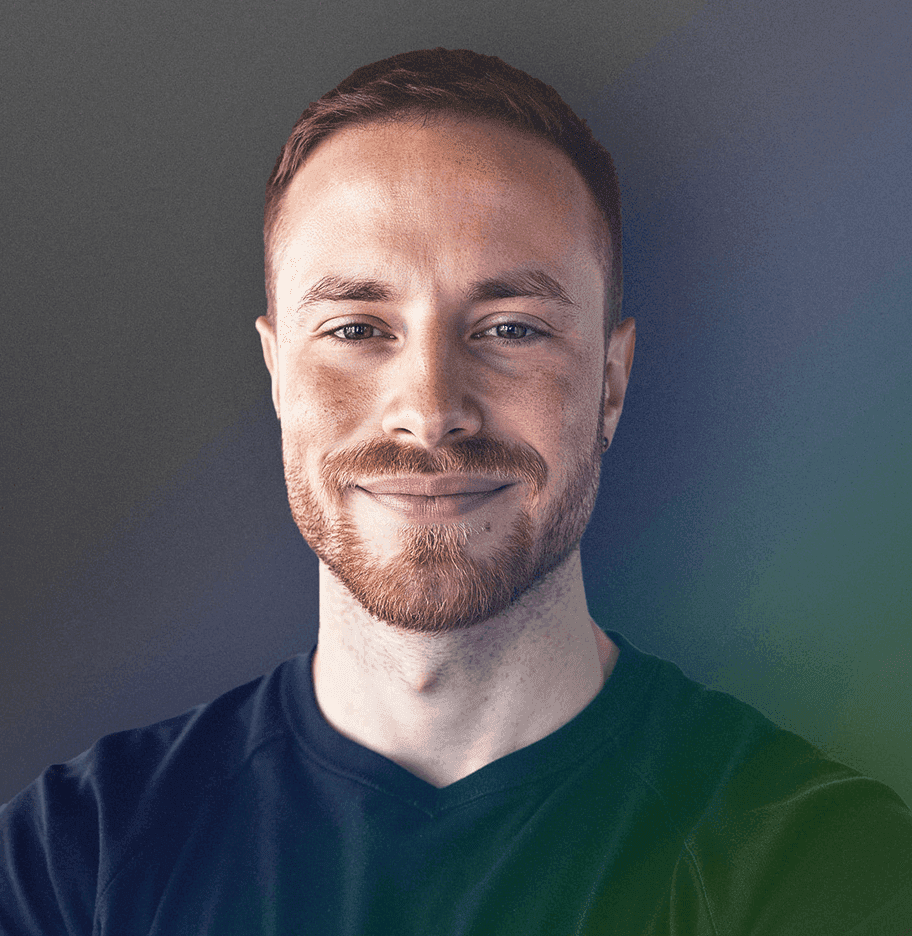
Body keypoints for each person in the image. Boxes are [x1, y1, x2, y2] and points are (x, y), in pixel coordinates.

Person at [1, 47, 910, 936]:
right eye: (357, 328)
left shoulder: (825, 868)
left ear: (611, 382)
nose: (431, 411)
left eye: (510, 328)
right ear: (278, 375)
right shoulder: (75, 859)